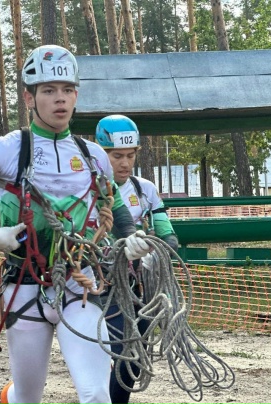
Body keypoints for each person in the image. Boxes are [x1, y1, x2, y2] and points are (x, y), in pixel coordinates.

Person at [0, 45, 151, 404]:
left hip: (80, 285)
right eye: (48, 90)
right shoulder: (8, 149)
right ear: (29, 98)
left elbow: (114, 202)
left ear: (76, 96)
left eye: (68, 90)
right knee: (27, 397)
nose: (60, 99)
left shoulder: (93, 155)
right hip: (24, 287)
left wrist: (131, 236)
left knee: (96, 394)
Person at [95, 114, 178, 404]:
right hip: (99, 283)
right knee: (123, 348)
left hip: (139, 285)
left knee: (135, 355)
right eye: (117, 156)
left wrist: (158, 250)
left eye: (130, 155)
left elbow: (168, 234)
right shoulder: (87, 189)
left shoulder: (145, 190)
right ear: (101, 153)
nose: (125, 163)